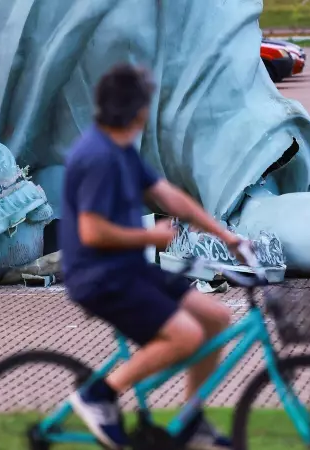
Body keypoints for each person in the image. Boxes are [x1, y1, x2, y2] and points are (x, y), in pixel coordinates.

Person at [59, 63, 244, 449]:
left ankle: (190, 419)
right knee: (186, 335)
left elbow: (168, 196)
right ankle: (98, 394)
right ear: (138, 110)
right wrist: (151, 235)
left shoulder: (120, 149)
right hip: (99, 277)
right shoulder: (98, 156)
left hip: (128, 268)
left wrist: (225, 235)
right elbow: (91, 232)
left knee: (217, 317)